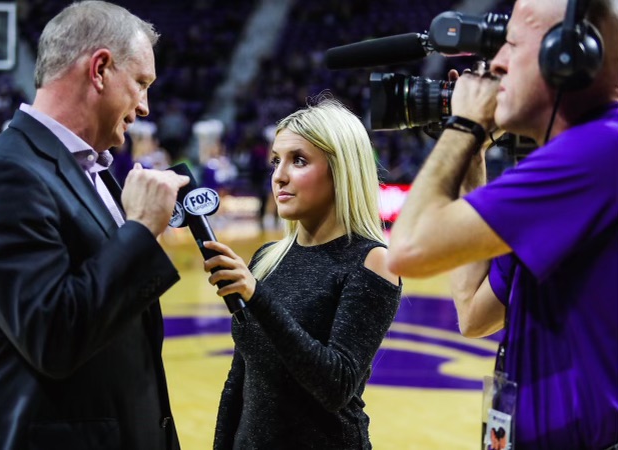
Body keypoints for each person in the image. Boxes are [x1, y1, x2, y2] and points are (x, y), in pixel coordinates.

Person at [0, 2, 190, 449]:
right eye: (140, 83)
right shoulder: (2, 173)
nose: (145, 106)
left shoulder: (93, 170)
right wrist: (139, 229)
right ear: (99, 69)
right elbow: (52, 336)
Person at [387, 0, 618, 449]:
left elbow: (408, 249)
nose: (495, 63)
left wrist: (464, 124)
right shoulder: (579, 165)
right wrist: (472, 155)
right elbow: (474, 313)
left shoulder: (599, 151)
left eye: (512, 44)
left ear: (567, 55)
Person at [202, 98, 402, 449]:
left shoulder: (371, 260)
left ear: (341, 169)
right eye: (276, 161)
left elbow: (336, 385)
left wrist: (256, 296)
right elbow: (239, 381)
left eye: (299, 160)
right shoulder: (267, 258)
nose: (279, 175)